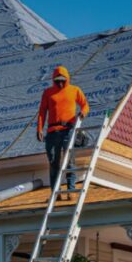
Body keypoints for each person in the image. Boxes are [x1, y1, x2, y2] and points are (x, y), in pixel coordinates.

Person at [37, 66, 89, 200]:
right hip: (52, 132)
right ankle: (56, 193)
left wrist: (82, 113)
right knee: (53, 162)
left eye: (62, 81)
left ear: (67, 79)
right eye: (57, 81)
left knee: (69, 160)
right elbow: (42, 112)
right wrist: (39, 129)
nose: (60, 83)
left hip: (68, 130)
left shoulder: (74, 90)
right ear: (54, 80)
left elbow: (85, 105)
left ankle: (70, 190)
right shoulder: (48, 93)